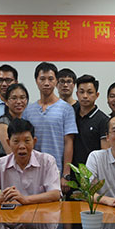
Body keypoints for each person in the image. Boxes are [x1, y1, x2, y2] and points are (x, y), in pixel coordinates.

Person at [22, 62, 78, 193]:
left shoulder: (66, 109)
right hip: (31, 170)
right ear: (36, 81)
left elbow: (69, 142)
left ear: (56, 81)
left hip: (56, 170)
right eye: (42, 79)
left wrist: (66, 174)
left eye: (50, 79)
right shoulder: (28, 110)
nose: (46, 83)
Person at [0, 119, 61, 205]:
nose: (22, 146)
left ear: (34, 142)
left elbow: (55, 194)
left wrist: (25, 199)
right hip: (10, 212)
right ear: (8, 143)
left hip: (40, 211)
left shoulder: (47, 161)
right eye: (16, 141)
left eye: (27, 141)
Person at [72, 75, 109, 167]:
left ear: (97, 95)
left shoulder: (103, 120)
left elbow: (105, 152)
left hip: (92, 171)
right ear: (77, 94)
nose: (85, 96)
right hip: (71, 171)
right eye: (81, 92)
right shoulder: (71, 114)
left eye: (90, 92)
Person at [0, 83, 29, 156]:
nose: (19, 102)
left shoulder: (24, 121)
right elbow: (11, 153)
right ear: (6, 102)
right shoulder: (3, 124)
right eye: (14, 98)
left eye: (22, 98)